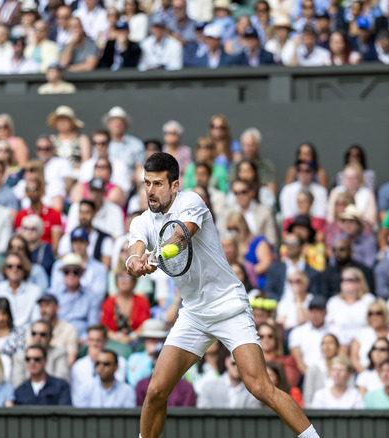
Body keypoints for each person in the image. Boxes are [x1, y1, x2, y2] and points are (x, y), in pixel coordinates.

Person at [127, 153, 319, 437]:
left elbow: (181, 236)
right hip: (193, 313)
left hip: (229, 305)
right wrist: (133, 263)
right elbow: (135, 250)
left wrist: (154, 258)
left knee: (259, 386)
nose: (150, 191)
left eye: (157, 183)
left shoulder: (191, 202)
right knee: (156, 390)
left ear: (175, 185)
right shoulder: (141, 221)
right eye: (146, 183)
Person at [0, 252, 43, 328]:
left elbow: (36, 320)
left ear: (24, 269)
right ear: (5, 269)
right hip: (0, 334)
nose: (14, 270)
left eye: (19, 266)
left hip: (26, 334)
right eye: (10, 266)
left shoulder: (35, 291)